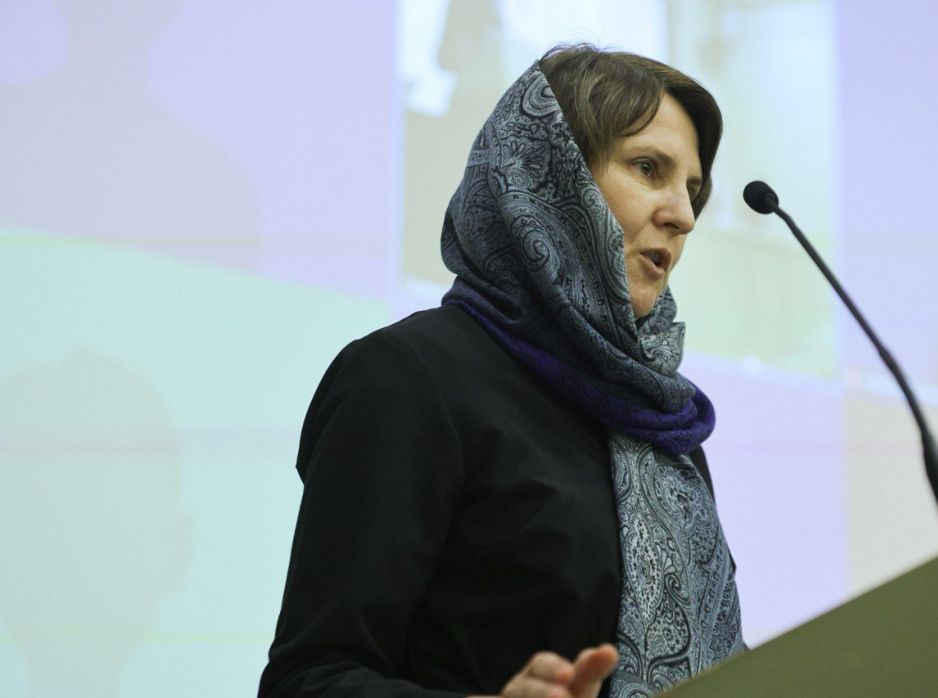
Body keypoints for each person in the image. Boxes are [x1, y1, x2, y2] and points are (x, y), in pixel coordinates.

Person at [259, 44, 744, 698]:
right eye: (647, 168)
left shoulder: (659, 426)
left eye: (692, 190)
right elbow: (307, 680)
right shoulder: (410, 378)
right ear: (550, 177)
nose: (682, 215)